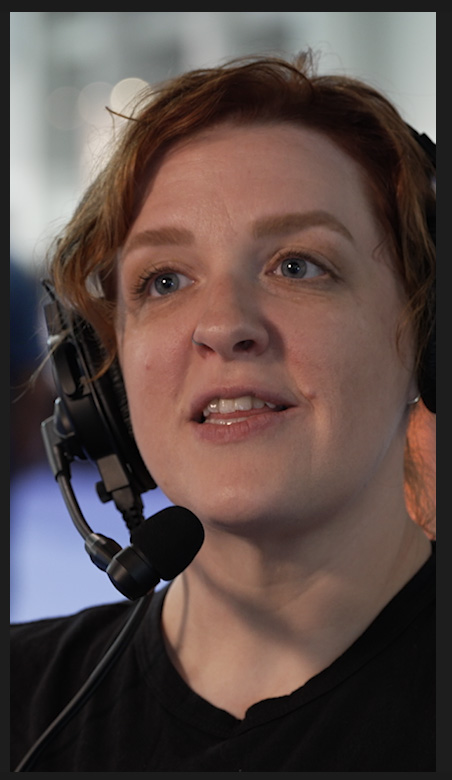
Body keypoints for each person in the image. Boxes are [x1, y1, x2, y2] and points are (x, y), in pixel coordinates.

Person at [10, 50, 436, 771]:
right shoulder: (23, 703)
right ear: (105, 376)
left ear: (425, 335)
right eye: (164, 280)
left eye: (298, 265)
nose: (223, 324)